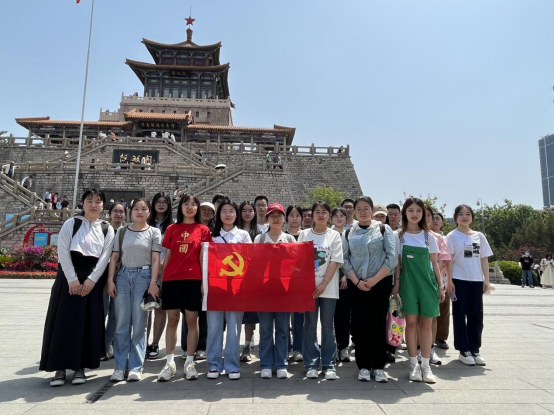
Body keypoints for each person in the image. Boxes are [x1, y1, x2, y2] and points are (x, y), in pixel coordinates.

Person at [40, 189, 115, 386]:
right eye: (89, 201)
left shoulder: (107, 228)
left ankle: (80, 367)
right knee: (63, 321)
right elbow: (63, 251)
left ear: (103, 205)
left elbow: (105, 257)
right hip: (68, 278)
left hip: (92, 279)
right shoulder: (71, 223)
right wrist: (72, 278)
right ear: (82, 203)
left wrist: (92, 280)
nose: (94, 205)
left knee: (86, 323)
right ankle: (59, 368)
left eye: (98, 201)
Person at [342, 197, 397, 382]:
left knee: (378, 323)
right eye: (359, 209)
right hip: (357, 284)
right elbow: (344, 259)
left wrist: (374, 280)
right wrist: (356, 281)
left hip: (380, 282)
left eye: (366, 208)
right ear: (354, 211)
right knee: (359, 324)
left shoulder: (383, 229)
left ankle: (379, 366)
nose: (363, 212)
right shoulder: (349, 232)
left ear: (372, 210)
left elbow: (391, 258)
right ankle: (364, 366)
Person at [157, 194, 212, 381]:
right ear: (180, 207)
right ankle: (170, 362)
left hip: (193, 279)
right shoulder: (172, 229)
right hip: (172, 279)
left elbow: (203, 258)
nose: (190, 207)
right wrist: (162, 281)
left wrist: (204, 282)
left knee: (191, 320)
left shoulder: (203, 230)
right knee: (172, 320)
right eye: (186, 204)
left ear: (197, 208)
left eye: (193, 204)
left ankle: (190, 361)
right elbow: (168, 256)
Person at [107, 199, 162, 382]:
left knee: (140, 324)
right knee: (121, 324)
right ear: (130, 211)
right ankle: (119, 366)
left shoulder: (154, 232)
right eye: (136, 208)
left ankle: (136, 366)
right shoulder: (122, 231)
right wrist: (110, 280)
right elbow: (115, 257)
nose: (140, 211)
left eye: (144, 208)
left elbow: (155, 259)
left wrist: (153, 283)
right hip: (123, 276)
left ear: (149, 212)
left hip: (144, 277)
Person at [392, 197, 444, 384]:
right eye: (411, 210)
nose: (415, 214)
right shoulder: (398, 236)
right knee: (411, 324)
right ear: (405, 213)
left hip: (428, 284)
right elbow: (398, 263)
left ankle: (426, 366)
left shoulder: (429, 236)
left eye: (419, 211)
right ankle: (413, 364)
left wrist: (440, 286)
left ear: (423, 214)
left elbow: (434, 263)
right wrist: (397, 283)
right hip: (408, 284)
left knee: (426, 325)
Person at [207, 199, 252, 380]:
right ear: (219, 215)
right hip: (215, 287)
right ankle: (213, 364)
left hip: (236, 288)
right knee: (214, 327)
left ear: (236, 214)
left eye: (231, 211)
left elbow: (249, 260)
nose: (227, 214)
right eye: (224, 211)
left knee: (234, 328)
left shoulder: (243, 235)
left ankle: (232, 365)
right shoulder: (211, 236)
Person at [299, 201, 343, 380]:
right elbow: (299, 260)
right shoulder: (304, 234)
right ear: (312, 215)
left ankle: (329, 364)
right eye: (317, 212)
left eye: (324, 212)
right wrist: (307, 283)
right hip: (308, 289)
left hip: (329, 288)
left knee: (327, 326)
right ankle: (310, 364)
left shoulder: (334, 235)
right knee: (309, 325)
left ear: (329, 215)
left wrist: (324, 283)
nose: (321, 215)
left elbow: (335, 261)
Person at [446, 204, 493, 366]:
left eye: (468, 214)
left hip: (476, 280)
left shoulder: (479, 236)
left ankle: (475, 349)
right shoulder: (452, 236)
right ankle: (463, 350)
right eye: (461, 214)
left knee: (476, 316)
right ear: (456, 217)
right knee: (459, 315)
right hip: (459, 280)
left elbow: (484, 258)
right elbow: (449, 260)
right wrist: (449, 280)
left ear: (472, 217)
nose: (464, 217)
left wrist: (486, 279)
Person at [254, 203, 297, 379]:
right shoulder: (259, 239)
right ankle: (265, 363)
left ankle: (281, 363)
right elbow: (254, 264)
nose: (276, 219)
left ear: (284, 218)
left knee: (282, 329)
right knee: (265, 329)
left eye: (279, 216)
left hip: (283, 290)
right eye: (272, 216)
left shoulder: (290, 239)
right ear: (267, 219)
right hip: (264, 290)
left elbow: (296, 264)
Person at [421, 206, 452, 365]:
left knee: (431, 317)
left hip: (433, 281)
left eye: (428, 215)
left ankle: (430, 349)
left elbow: (443, 259)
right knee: (414, 318)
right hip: (413, 281)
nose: (426, 218)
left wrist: (432, 274)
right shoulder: (406, 235)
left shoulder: (438, 237)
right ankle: (417, 350)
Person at [146, 193, 173, 360]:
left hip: (165, 271)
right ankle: (143, 342)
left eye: (165, 202)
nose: (161, 204)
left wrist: (163, 264)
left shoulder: (172, 226)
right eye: (158, 202)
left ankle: (155, 343)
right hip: (145, 270)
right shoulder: (145, 223)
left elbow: (172, 248)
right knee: (145, 309)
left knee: (160, 308)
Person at [101, 202, 127, 362]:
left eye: (121, 211)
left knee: (115, 314)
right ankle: (100, 345)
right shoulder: (103, 230)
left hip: (121, 276)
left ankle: (107, 344)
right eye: (115, 211)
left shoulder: (127, 232)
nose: (118, 214)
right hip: (103, 276)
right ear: (109, 213)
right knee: (102, 311)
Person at [237, 201, 260, 361]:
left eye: (250, 210)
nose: (247, 213)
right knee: (235, 313)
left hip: (252, 278)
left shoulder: (259, 233)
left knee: (250, 315)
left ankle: (246, 346)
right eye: (244, 210)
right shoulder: (234, 231)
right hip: (235, 276)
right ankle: (233, 345)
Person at [331, 207, 354, 363]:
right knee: (331, 317)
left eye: (342, 216)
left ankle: (343, 347)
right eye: (336, 216)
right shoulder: (328, 234)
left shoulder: (350, 235)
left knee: (345, 316)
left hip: (346, 280)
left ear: (346, 219)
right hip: (329, 280)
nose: (339, 218)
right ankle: (332, 347)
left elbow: (352, 257)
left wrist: (346, 275)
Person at [430, 212, 452, 350]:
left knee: (444, 308)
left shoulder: (445, 238)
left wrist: (449, 279)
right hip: (426, 276)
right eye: (432, 218)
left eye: (438, 218)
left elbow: (447, 260)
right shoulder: (423, 235)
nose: (435, 221)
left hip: (442, 278)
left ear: (442, 222)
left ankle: (441, 336)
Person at [285, 205, 304, 362]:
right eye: (291, 215)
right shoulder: (282, 236)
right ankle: (285, 348)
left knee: (299, 318)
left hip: (301, 283)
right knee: (284, 318)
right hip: (284, 282)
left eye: (298, 215)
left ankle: (298, 348)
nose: (295, 218)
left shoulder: (306, 236)